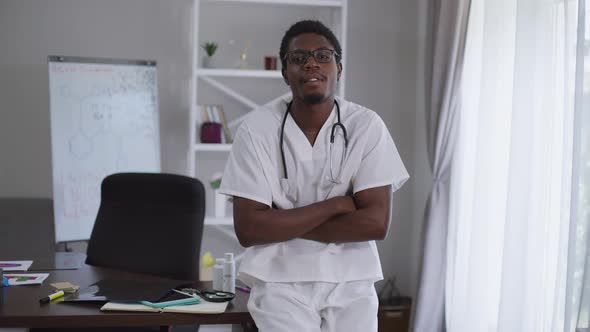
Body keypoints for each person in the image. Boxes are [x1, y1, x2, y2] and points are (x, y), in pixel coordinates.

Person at [219, 20, 409, 332]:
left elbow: (375, 223)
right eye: (298, 58)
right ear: (284, 73)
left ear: (339, 67)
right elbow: (249, 229)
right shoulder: (257, 130)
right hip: (279, 280)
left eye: (323, 55)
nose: (311, 63)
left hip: (352, 278)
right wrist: (334, 206)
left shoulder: (366, 126)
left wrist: (281, 221)